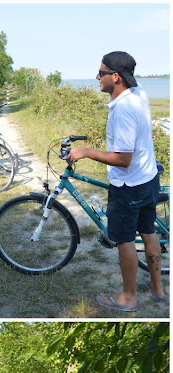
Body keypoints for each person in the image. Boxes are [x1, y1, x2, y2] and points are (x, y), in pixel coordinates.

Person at [67, 51, 164, 311]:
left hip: (128, 185)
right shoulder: (138, 93)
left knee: (125, 240)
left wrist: (85, 151)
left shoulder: (123, 110)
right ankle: (157, 288)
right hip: (148, 178)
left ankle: (128, 298)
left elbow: (123, 159)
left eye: (102, 72)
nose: (97, 76)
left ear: (116, 77)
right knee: (149, 231)